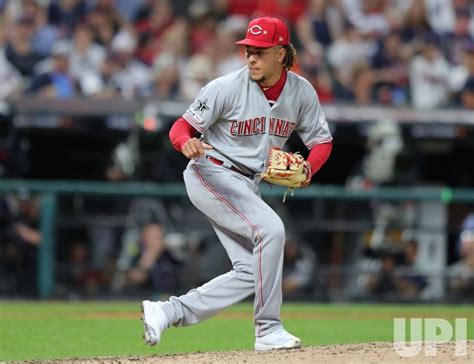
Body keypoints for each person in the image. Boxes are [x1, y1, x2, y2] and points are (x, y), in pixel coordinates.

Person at [141, 16, 333, 351]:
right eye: (248, 50)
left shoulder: (301, 92)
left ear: (282, 53)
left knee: (251, 271)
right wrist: (185, 143)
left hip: (247, 185)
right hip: (211, 172)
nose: (251, 57)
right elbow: (180, 127)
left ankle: (169, 311)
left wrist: (310, 169)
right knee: (271, 231)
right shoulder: (225, 87)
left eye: (260, 51)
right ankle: (268, 328)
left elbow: (321, 141)